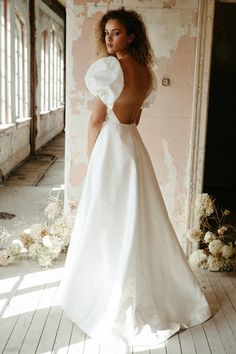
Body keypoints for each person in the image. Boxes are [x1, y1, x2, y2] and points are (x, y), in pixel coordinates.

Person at [59, 7, 211, 347]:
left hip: (111, 148)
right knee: (135, 217)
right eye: (107, 34)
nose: (109, 39)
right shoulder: (145, 73)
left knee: (106, 217)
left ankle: (104, 290)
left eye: (116, 33)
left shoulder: (109, 70)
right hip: (132, 147)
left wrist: (91, 159)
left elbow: (96, 121)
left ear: (131, 36)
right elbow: (135, 119)